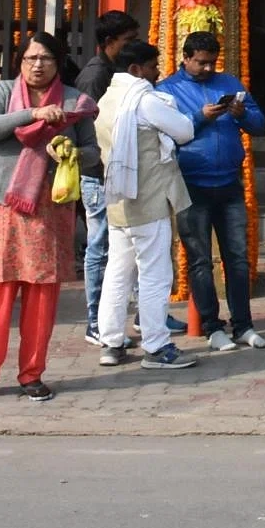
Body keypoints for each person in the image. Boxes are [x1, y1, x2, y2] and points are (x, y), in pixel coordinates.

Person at [0, 31, 97, 404]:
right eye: (30, 58)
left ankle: (32, 375)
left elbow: (94, 153)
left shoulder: (75, 101)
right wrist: (33, 114)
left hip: (49, 208)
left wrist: (69, 151)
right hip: (0, 205)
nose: (38, 65)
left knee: (41, 294)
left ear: (58, 62)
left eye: (46, 59)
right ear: (19, 62)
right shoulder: (3, 92)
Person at [158, 30, 265, 351]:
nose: (208, 69)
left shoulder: (230, 84)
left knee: (237, 259)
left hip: (229, 183)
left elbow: (259, 125)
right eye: (201, 63)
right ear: (186, 58)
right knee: (199, 261)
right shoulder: (168, 91)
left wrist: (242, 114)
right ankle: (212, 327)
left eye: (212, 63)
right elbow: (166, 135)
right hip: (191, 185)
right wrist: (199, 117)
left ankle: (244, 326)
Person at [93, 40, 199, 371]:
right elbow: (184, 130)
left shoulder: (108, 98)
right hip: (147, 199)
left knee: (117, 273)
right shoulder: (143, 100)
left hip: (118, 201)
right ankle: (156, 346)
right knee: (154, 274)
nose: (157, 72)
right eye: (153, 67)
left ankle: (111, 344)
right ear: (136, 70)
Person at [73, 10, 138, 342]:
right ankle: (95, 322)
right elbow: (91, 129)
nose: (133, 46)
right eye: (128, 41)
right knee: (99, 247)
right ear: (110, 42)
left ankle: (143, 316)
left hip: (117, 171)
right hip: (98, 174)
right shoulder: (95, 76)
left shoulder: (115, 70)